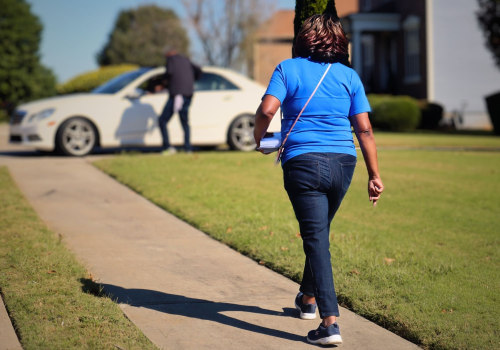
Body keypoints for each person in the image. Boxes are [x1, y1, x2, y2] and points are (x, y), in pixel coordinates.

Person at [253, 14, 384, 346]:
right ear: (339, 43)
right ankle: (308, 300)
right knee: (318, 234)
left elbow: (267, 110)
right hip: (344, 163)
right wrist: (375, 175)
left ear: (302, 41)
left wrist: (259, 139)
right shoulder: (349, 76)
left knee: (316, 240)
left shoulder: (288, 69)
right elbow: (364, 129)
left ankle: (330, 323)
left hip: (303, 163)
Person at [158, 48, 202, 154]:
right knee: (185, 122)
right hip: (188, 93)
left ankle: (167, 147)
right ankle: (188, 148)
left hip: (177, 95)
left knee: (162, 120)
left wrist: (162, 83)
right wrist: (192, 80)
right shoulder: (186, 60)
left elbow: (169, 72)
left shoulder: (171, 60)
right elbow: (199, 70)